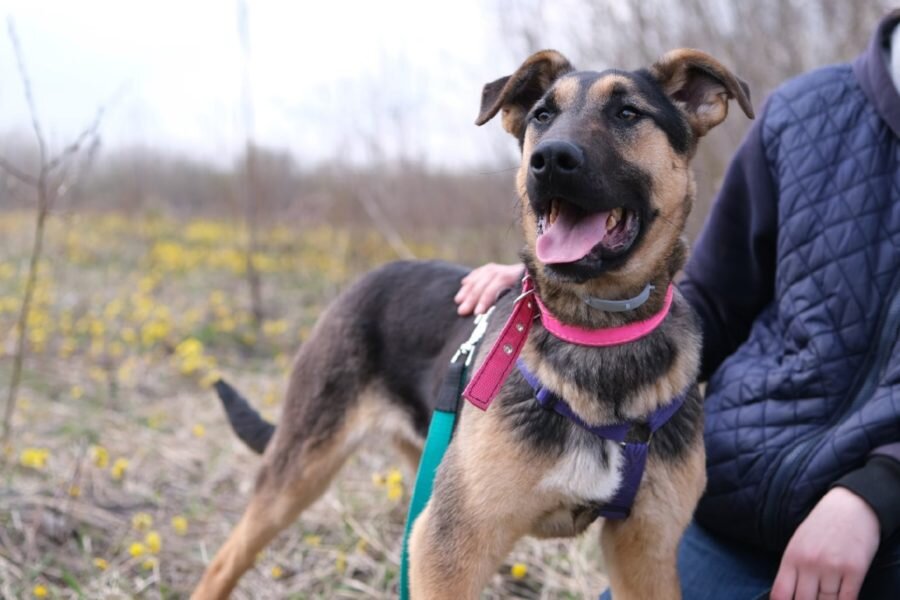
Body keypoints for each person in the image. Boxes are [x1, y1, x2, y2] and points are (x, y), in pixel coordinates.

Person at [455, 10, 900, 599]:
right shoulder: (805, 113)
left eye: (625, 116)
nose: (561, 145)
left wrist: (878, 490)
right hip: (734, 503)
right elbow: (710, 303)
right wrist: (577, 293)